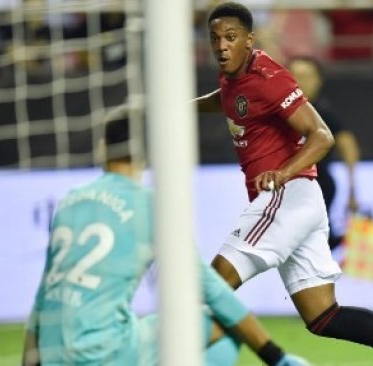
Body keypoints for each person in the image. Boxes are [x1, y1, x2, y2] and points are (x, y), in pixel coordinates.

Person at [194, 2, 373, 365]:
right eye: (215, 39)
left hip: (286, 196)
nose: (221, 45)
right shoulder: (232, 77)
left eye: (231, 37)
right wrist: (181, 106)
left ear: (249, 39)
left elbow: (322, 136)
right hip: (301, 204)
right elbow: (227, 100)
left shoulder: (270, 79)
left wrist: (282, 173)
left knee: (212, 286)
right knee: (323, 315)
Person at [21, 106, 310, 366]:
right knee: (221, 326)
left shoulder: (70, 201)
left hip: (51, 352)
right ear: (147, 155)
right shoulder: (152, 206)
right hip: (103, 353)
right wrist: (276, 356)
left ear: (101, 148)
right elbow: (212, 290)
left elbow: (45, 294)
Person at [287, 56, 359, 250]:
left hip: (317, 186)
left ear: (318, 80)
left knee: (311, 245)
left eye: (306, 76)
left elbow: (348, 145)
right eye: (294, 75)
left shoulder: (322, 113)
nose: (299, 81)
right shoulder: (279, 111)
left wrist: (352, 188)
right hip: (286, 188)